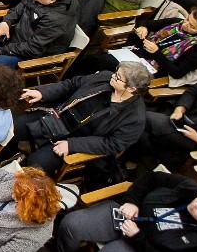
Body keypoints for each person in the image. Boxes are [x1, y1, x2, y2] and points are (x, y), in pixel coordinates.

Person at [38, 170, 197, 252]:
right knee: (71, 224)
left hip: (142, 248)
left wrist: (138, 238)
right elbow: (151, 178)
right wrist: (133, 201)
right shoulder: (193, 191)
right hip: (129, 215)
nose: (194, 205)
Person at [14, 63, 149, 176]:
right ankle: (9, 156)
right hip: (58, 116)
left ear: (131, 89)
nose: (113, 76)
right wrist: (43, 92)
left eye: (118, 77)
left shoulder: (135, 118)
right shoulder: (105, 77)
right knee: (11, 129)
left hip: (76, 140)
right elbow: (72, 85)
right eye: (116, 73)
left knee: (33, 167)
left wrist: (73, 145)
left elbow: (112, 144)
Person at [65, 5, 197, 81]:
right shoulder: (178, 23)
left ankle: (74, 84)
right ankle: (68, 82)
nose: (185, 25)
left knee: (101, 64)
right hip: (137, 53)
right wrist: (144, 28)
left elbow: (177, 73)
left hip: (151, 70)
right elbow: (147, 23)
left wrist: (156, 53)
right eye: (187, 19)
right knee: (93, 61)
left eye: (192, 26)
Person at [137, 71, 197, 170]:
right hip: (182, 115)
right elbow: (193, 91)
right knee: (142, 131)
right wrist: (180, 109)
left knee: (144, 118)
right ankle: (145, 163)